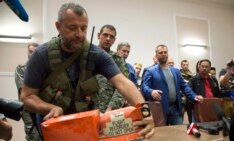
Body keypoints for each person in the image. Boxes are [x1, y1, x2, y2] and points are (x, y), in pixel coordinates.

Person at [20, 2, 154, 139]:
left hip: (84, 123)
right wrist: (50, 108)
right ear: (58, 26)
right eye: (72, 28)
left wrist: (145, 113)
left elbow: (123, 83)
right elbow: (27, 96)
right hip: (53, 125)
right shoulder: (42, 55)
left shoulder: (95, 54)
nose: (79, 34)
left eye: (84, 28)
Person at [141, 44, 203, 125]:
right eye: (161, 52)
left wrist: (194, 96)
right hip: (159, 109)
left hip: (175, 108)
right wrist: (151, 92)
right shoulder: (150, 71)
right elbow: (144, 87)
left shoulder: (176, 71)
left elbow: (184, 86)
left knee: (179, 134)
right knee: (161, 135)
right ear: (156, 55)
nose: (163, 54)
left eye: (165, 52)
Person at [95, 24, 128, 113]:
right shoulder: (87, 55)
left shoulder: (118, 59)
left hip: (106, 110)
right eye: (105, 35)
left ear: (114, 40)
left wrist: (111, 108)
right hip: (85, 109)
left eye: (111, 37)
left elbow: (122, 87)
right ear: (99, 35)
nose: (108, 38)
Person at [15, 42, 41, 141]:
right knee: (33, 136)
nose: (32, 54)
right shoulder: (21, 69)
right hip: (28, 110)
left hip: (42, 108)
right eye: (30, 51)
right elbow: (24, 90)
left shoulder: (43, 71)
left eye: (34, 52)